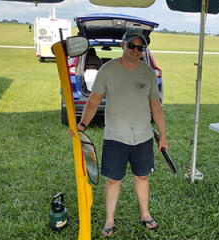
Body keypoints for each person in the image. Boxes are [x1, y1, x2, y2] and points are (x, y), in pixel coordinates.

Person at [67, 28, 168, 236]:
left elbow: (156, 107)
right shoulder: (108, 70)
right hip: (115, 137)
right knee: (113, 179)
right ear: (123, 45)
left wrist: (163, 136)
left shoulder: (148, 73)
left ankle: (145, 214)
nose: (135, 50)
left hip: (142, 137)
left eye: (140, 47)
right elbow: (93, 101)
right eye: (132, 45)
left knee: (142, 177)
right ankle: (109, 220)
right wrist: (82, 125)